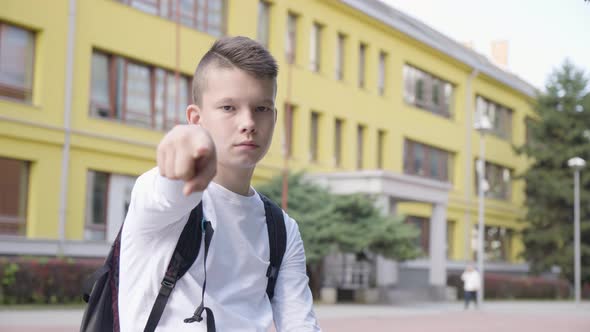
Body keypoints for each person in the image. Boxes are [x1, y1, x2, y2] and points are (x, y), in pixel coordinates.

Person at [118, 36, 321, 331]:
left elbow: (300, 324)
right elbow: (171, 189)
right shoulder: (160, 194)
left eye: (261, 109)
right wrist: (187, 141)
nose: (248, 122)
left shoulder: (282, 229)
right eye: (228, 108)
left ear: (275, 119)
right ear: (196, 118)